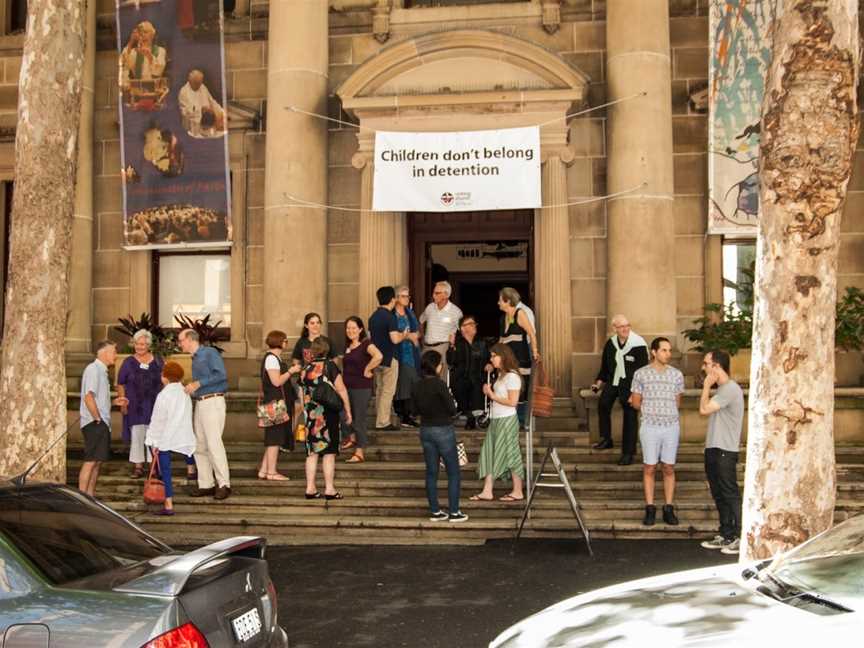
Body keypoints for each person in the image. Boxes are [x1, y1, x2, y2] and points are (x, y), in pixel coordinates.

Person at [629, 337, 685, 526]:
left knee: (668, 467)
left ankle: (668, 508)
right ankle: (650, 508)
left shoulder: (676, 374)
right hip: (650, 426)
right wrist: (650, 409)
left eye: (669, 350)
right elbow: (635, 401)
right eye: (664, 350)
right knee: (650, 467)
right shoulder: (640, 374)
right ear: (654, 352)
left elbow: (678, 402)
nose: (668, 354)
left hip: (671, 426)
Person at [411, 350, 468, 522]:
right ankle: (454, 512)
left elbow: (413, 411)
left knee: (431, 472)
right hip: (443, 429)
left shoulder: (416, 385)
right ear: (436, 366)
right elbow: (452, 409)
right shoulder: (440, 384)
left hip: (425, 430)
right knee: (453, 472)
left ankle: (435, 511)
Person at [698, 349, 745, 555]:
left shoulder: (730, 389)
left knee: (729, 493)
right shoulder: (722, 390)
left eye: (706, 363)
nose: (704, 367)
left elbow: (704, 410)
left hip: (726, 450)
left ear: (717, 366)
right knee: (718, 493)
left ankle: (738, 536)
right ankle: (726, 533)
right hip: (714, 448)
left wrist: (706, 386)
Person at [179, 328, 231, 500]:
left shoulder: (209, 353)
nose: (180, 344)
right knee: (200, 445)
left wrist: (197, 383)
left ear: (190, 339)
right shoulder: (195, 357)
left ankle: (224, 484)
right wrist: (190, 389)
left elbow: (221, 375)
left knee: (214, 443)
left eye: (181, 340)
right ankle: (206, 483)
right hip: (201, 402)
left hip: (213, 401)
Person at [591, 314, 649, 466]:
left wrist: (637, 393)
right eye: (621, 326)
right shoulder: (611, 344)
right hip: (614, 381)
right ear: (614, 328)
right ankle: (606, 439)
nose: (625, 329)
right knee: (603, 404)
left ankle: (628, 453)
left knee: (630, 414)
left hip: (631, 385)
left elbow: (643, 371)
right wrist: (598, 383)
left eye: (627, 325)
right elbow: (605, 368)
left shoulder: (638, 344)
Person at [471, 343, 525, 502]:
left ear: (503, 356)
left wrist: (492, 395)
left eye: (494, 356)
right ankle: (487, 490)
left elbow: (513, 402)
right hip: (496, 419)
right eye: (491, 356)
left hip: (507, 420)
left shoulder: (512, 376)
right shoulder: (501, 375)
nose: (491, 358)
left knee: (510, 453)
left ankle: (517, 491)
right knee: (490, 452)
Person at [301, 337, 352, 500]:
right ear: (327, 349)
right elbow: (342, 389)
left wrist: (305, 412)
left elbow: (303, 395)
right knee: (329, 453)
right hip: (328, 415)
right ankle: (329, 489)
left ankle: (310, 488)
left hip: (311, 416)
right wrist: (348, 410)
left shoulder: (306, 369)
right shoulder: (330, 367)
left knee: (312, 453)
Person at [145, 361, 196, 516]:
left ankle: (168, 503)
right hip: (183, 433)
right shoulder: (185, 392)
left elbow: (158, 419)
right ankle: (191, 469)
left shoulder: (164, 395)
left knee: (165, 470)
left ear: (165, 377)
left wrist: (152, 439)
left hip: (165, 436)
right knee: (187, 449)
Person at [78, 341, 128, 497]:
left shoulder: (102, 371)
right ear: (104, 353)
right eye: (113, 351)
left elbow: (97, 398)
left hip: (100, 422)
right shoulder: (93, 370)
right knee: (91, 461)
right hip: (95, 423)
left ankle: (90, 496)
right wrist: (97, 418)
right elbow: (88, 397)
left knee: (97, 462)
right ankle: (83, 498)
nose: (116, 355)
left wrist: (114, 402)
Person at [116, 329, 163, 478]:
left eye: (143, 344)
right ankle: (138, 466)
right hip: (134, 405)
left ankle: (153, 466)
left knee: (153, 434)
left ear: (148, 345)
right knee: (137, 434)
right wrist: (123, 402)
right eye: (137, 343)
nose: (140, 347)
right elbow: (120, 383)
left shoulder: (158, 360)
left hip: (154, 404)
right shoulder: (128, 362)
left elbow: (165, 380)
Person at [258, 330, 301, 480]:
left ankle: (264, 470)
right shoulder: (272, 359)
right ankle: (271, 472)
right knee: (274, 439)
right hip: (275, 403)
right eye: (285, 341)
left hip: (273, 402)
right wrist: (291, 371)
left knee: (273, 437)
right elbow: (276, 381)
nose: (286, 343)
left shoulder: (272, 358)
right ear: (279, 342)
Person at [340, 316, 383, 463]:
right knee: (343, 413)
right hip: (346, 387)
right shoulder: (347, 347)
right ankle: (351, 437)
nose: (350, 331)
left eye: (353, 328)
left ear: (360, 329)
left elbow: (378, 356)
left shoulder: (366, 344)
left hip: (361, 388)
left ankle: (359, 452)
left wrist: (368, 368)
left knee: (359, 419)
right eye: (348, 328)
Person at [497, 287, 539, 428]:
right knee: (509, 389)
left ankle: (522, 421)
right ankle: (512, 420)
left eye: (500, 300)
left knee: (521, 390)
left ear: (508, 301)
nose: (498, 303)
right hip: (508, 362)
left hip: (521, 359)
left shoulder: (520, 314)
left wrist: (535, 351)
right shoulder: (503, 319)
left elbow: (531, 333)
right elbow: (501, 341)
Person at [369, 286, 410, 431]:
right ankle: (383, 422)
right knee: (388, 391)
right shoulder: (389, 316)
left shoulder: (373, 317)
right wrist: (404, 334)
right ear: (393, 299)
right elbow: (394, 339)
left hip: (376, 359)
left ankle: (379, 420)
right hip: (389, 358)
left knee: (380, 389)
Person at [290, 312, 334, 437]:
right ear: (306, 325)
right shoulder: (302, 342)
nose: (315, 325)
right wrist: (302, 369)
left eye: (317, 323)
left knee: (319, 410)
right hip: (305, 382)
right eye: (312, 323)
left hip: (322, 383)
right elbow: (295, 360)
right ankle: (290, 438)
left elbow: (334, 360)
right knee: (299, 407)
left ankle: (318, 437)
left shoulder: (327, 341)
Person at [448, 315, 490, 429]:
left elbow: (488, 358)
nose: (474, 326)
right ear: (462, 328)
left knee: (477, 387)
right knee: (460, 387)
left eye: (474, 323)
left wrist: (489, 364)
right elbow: (450, 361)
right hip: (460, 377)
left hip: (478, 376)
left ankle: (474, 417)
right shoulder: (457, 343)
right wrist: (451, 345)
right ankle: (470, 416)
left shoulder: (481, 343)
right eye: (470, 324)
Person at [420, 281, 463, 376]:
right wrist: (422, 338)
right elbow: (421, 321)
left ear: (446, 295)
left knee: (441, 377)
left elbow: (461, 332)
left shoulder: (456, 312)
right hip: (426, 348)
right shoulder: (430, 307)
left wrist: (453, 345)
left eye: (437, 293)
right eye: (433, 292)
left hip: (443, 348)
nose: (433, 295)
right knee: (424, 377)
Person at [393, 285, 421, 428]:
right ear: (396, 298)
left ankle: (409, 414)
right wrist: (409, 336)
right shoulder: (392, 314)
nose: (406, 298)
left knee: (413, 381)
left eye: (408, 296)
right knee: (403, 384)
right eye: (403, 296)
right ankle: (403, 415)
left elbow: (417, 333)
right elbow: (393, 335)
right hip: (398, 353)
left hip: (412, 353)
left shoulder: (410, 313)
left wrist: (412, 336)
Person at [178, 68, 225, 137]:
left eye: (200, 82)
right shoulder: (183, 92)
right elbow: (185, 113)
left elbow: (212, 101)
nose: (199, 85)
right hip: (193, 126)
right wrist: (201, 109)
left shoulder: (202, 87)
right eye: (196, 83)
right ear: (190, 81)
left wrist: (221, 112)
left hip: (209, 122)